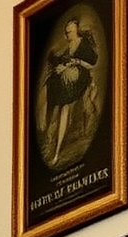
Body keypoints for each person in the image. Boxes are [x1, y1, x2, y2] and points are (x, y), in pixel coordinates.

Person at [42, 16, 99, 168]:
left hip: (79, 78)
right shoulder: (67, 47)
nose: (68, 34)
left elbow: (92, 64)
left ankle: (56, 151)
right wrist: (61, 66)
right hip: (67, 78)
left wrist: (75, 63)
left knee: (64, 106)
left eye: (70, 31)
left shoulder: (84, 45)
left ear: (76, 30)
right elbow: (61, 61)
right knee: (55, 89)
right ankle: (54, 147)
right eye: (67, 32)